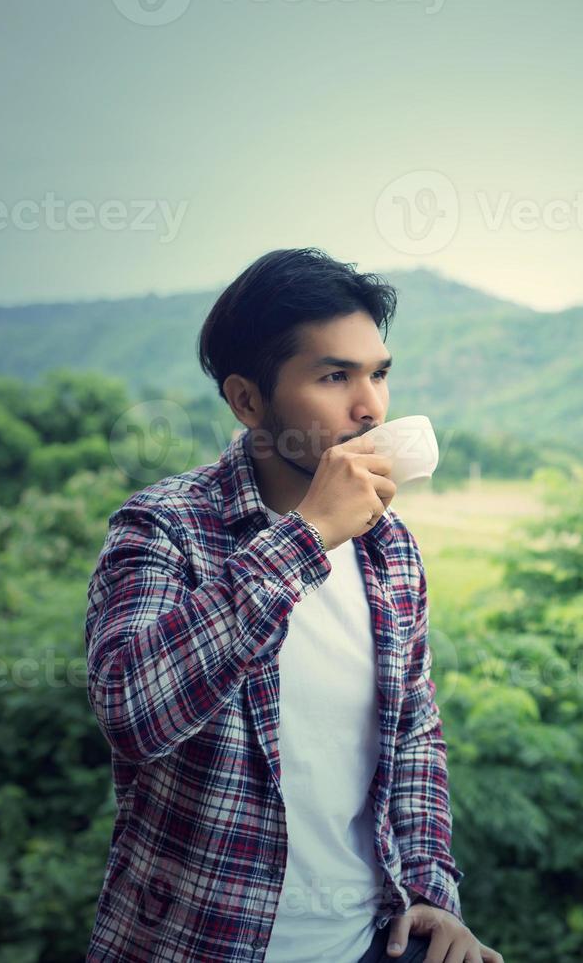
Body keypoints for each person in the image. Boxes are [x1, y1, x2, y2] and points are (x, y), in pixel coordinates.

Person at [82, 248, 502, 962]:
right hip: (194, 945)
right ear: (248, 401)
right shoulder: (165, 528)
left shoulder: (390, 548)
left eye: (378, 374)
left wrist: (431, 890)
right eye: (334, 376)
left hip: (365, 945)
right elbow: (131, 712)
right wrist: (307, 536)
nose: (369, 406)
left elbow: (414, 735)